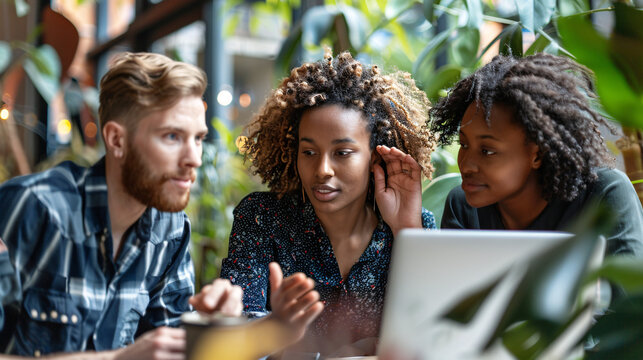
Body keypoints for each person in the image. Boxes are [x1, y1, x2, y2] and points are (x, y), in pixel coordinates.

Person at [0, 52, 321, 359]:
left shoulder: (170, 229)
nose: (193, 158)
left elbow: (175, 351)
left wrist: (256, 327)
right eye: (172, 137)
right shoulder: (31, 208)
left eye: (197, 138)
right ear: (116, 140)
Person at [220, 49, 439, 357]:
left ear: (375, 156)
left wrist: (406, 230)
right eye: (308, 152)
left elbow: (435, 336)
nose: (322, 169)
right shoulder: (262, 217)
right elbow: (233, 339)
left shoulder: (415, 226)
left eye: (342, 153)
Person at [431, 53, 643, 255]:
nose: (466, 165)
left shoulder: (604, 194)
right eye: (464, 144)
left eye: (487, 151)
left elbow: (629, 292)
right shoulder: (462, 206)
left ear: (537, 155)